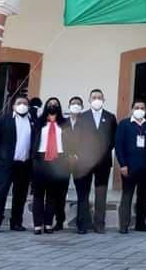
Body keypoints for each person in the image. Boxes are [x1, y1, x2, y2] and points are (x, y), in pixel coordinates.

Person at [0, 95, 35, 233]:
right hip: (5, 164)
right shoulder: (3, 120)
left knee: (20, 195)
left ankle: (16, 222)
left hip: (24, 165)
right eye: (19, 103)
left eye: (25, 103)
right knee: (0, 193)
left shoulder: (32, 121)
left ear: (29, 107)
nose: (22, 105)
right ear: (13, 106)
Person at [73, 89, 117, 234]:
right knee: (83, 194)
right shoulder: (82, 117)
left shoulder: (110, 117)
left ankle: (99, 224)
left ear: (103, 100)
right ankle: (83, 224)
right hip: (84, 162)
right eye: (94, 97)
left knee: (101, 194)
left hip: (103, 162)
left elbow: (113, 139)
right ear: (89, 100)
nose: (97, 99)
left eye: (99, 97)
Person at [115, 99, 146, 233]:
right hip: (129, 168)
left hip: (145, 168)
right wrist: (123, 164)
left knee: (142, 198)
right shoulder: (124, 124)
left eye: (142, 108)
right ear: (132, 109)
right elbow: (119, 146)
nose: (139, 109)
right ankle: (124, 225)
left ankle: (140, 224)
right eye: (137, 107)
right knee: (127, 196)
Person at [31, 97, 70, 235]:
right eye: (50, 104)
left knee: (52, 195)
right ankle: (37, 224)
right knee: (38, 195)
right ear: (46, 106)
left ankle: (48, 223)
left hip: (58, 159)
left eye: (55, 104)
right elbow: (32, 141)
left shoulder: (64, 123)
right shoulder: (39, 123)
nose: (52, 106)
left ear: (59, 107)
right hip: (41, 159)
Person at [53, 95, 83, 231]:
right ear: (69, 106)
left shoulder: (86, 123)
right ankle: (59, 221)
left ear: (82, 107)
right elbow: (57, 142)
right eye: (73, 103)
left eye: (78, 104)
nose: (75, 105)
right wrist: (66, 156)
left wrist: (78, 156)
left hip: (81, 162)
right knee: (60, 193)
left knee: (82, 193)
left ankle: (81, 224)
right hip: (63, 162)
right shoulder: (61, 123)